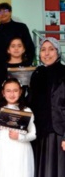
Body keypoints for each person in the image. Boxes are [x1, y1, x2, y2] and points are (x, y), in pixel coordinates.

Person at [29, 37, 65, 177]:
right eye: (43, 50)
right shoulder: (37, 74)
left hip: (60, 132)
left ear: (58, 52)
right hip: (40, 133)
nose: (47, 53)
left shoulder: (64, 72)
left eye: (51, 49)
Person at [0, 78, 36, 177]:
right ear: (3, 93)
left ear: (21, 92)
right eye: (8, 91)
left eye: (15, 90)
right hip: (3, 150)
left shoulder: (26, 110)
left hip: (21, 150)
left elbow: (34, 134)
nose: (12, 94)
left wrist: (20, 137)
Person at [0, 2, 35, 88]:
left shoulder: (21, 27)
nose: (3, 14)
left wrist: (27, 64)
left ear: (10, 12)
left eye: (5, 10)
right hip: (2, 69)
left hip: (21, 68)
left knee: (22, 92)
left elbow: (30, 47)